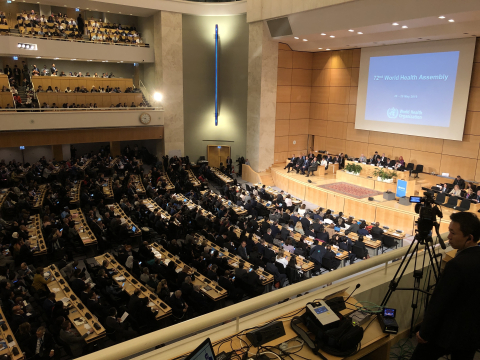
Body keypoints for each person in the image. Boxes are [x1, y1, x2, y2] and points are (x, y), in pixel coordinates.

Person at [410, 212, 480, 360]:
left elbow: (439, 302)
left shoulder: (456, 265)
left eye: (453, 233)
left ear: (469, 238)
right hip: (472, 333)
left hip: (446, 332)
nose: (448, 236)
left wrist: (424, 332)